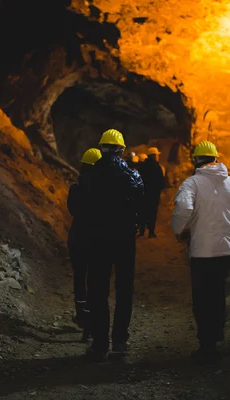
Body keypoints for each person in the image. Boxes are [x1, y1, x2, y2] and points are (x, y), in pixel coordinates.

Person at [171, 140, 230, 364]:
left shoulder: (192, 184)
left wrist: (179, 230)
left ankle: (206, 345)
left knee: (202, 296)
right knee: (218, 293)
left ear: (196, 161)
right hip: (228, 250)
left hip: (202, 251)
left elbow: (183, 207)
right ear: (216, 159)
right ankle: (217, 337)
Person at [84, 128, 144, 361]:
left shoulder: (90, 175)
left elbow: (83, 207)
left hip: (98, 239)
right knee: (124, 289)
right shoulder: (132, 175)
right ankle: (120, 341)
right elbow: (140, 202)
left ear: (102, 148)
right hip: (124, 239)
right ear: (121, 149)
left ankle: (100, 344)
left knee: (98, 290)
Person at [67, 148, 102, 341]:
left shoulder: (75, 189)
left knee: (80, 278)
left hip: (78, 239)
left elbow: (73, 210)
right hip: (97, 241)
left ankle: (82, 316)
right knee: (95, 281)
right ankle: (91, 327)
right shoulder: (105, 192)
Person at [138, 147, 165, 238]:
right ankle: (151, 232)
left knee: (143, 212)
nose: (158, 157)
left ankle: (141, 231)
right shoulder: (157, 167)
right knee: (152, 213)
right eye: (157, 155)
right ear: (154, 156)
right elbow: (161, 181)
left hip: (143, 193)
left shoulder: (142, 166)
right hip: (153, 194)